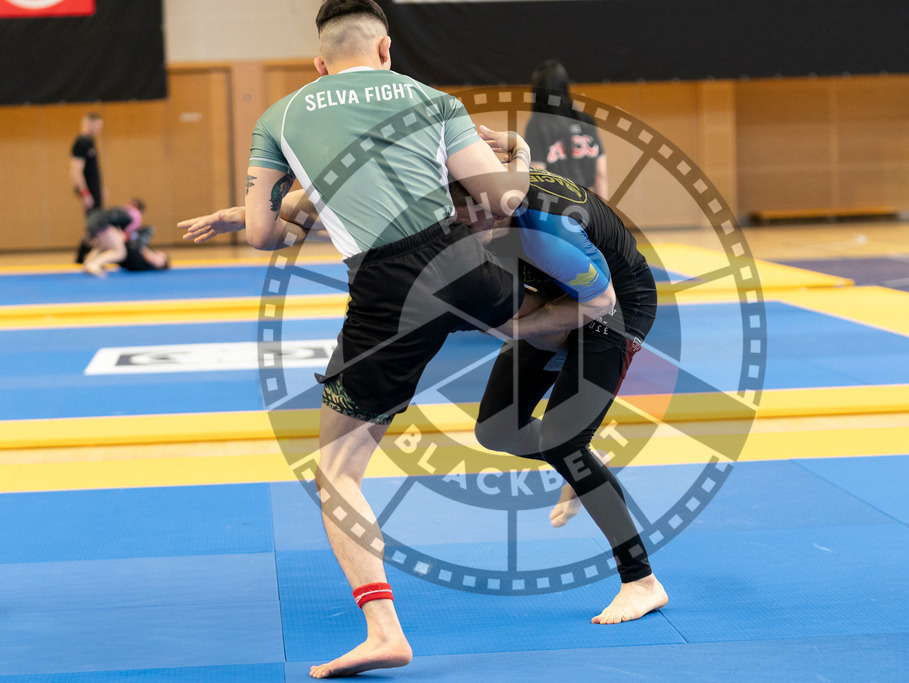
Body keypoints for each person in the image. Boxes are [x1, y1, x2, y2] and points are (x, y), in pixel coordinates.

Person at [180, 1, 531, 677]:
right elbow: (500, 200)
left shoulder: (281, 115)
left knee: (336, 470)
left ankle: (383, 628)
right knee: (565, 309)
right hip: (459, 264)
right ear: (385, 50)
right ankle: (584, 392)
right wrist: (519, 153)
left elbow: (265, 235)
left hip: (388, 288)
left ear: (319, 62)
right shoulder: (433, 99)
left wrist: (262, 196)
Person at [454, 167, 668, 625]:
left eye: (470, 225)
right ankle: (581, 459)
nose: (464, 234)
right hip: (560, 292)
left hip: (614, 308)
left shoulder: (548, 233)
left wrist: (516, 328)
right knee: (496, 428)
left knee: (565, 443)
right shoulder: (485, 191)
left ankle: (642, 581)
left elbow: (599, 304)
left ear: (496, 208)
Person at [525, 60, 608, 199]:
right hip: (587, 204)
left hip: (556, 209)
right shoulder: (585, 120)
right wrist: (603, 214)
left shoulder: (536, 125)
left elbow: (538, 177)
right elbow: (601, 174)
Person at [71, 112, 105, 263]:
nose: (99, 129)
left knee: (93, 225)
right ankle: (83, 256)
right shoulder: (80, 142)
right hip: (88, 191)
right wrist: (85, 193)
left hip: (94, 189)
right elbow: (75, 171)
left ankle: (83, 256)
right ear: (89, 124)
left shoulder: (91, 141)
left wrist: (101, 187)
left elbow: (93, 170)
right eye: (97, 126)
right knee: (94, 225)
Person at [81, 199, 146, 278]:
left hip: (92, 224)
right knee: (120, 252)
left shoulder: (123, 208)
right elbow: (123, 235)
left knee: (104, 245)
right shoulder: (136, 215)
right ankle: (94, 264)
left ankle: (89, 261)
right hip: (103, 225)